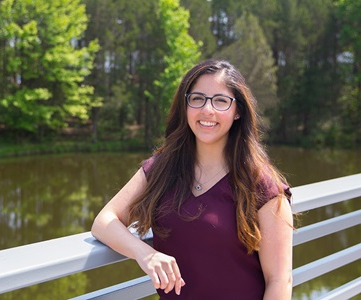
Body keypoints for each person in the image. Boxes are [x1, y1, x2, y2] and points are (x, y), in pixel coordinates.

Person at [91, 59, 293, 299]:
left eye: (220, 101)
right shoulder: (163, 167)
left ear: (237, 111)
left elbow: (279, 280)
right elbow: (103, 222)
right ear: (185, 105)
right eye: (197, 98)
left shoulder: (261, 185)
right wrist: (144, 252)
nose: (207, 110)